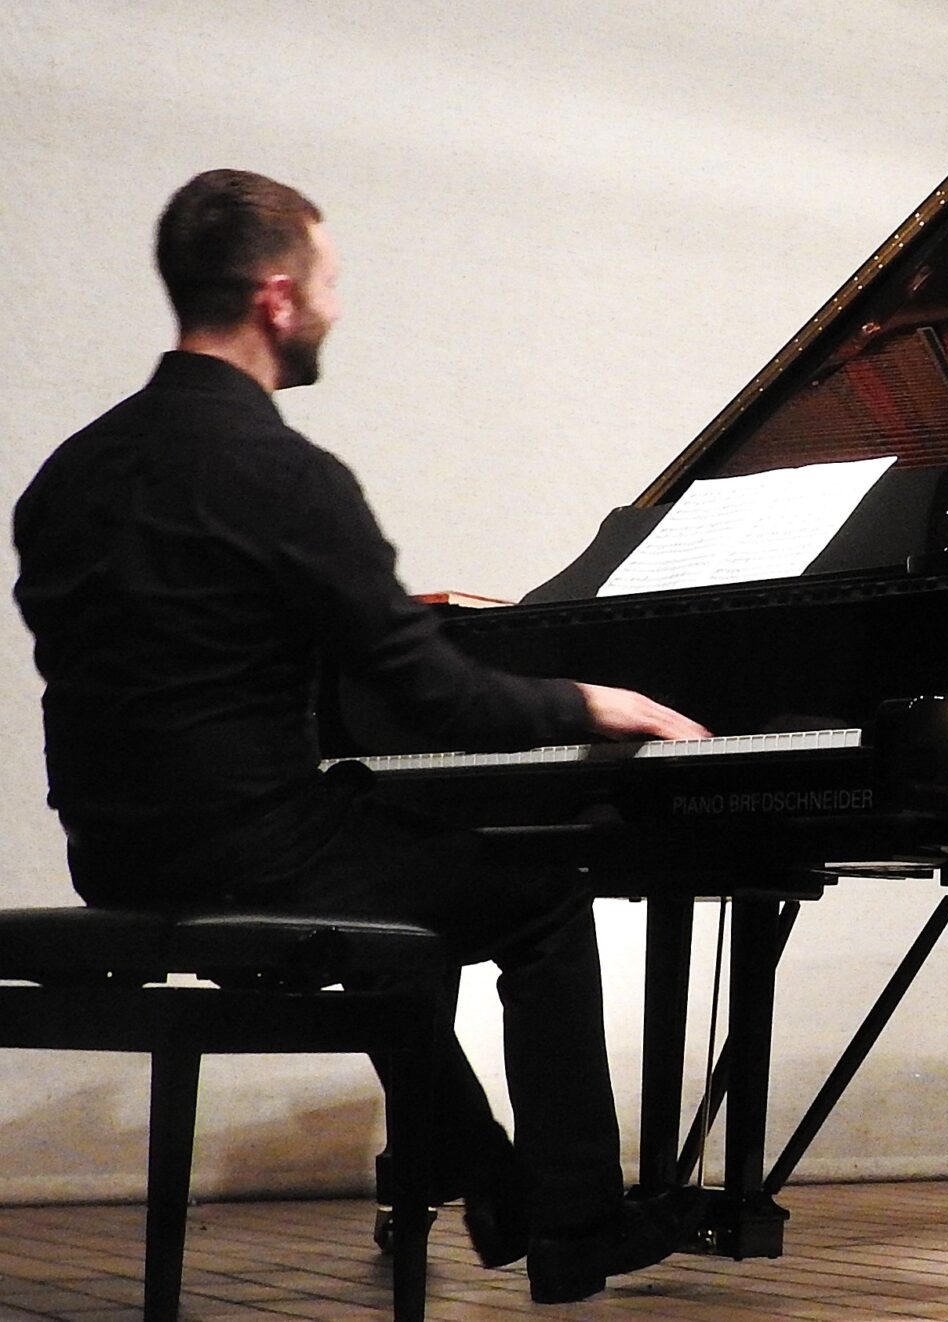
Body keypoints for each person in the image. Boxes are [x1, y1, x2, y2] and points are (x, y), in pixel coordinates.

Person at [12, 169, 711, 1303]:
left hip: (116, 853)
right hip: (257, 851)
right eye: (330, 283)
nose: (337, 308)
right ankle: (576, 1228)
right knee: (538, 902)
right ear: (277, 297)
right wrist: (588, 702)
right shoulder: (283, 475)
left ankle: (487, 1178)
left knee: (391, 893)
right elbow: (438, 699)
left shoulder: (67, 475)